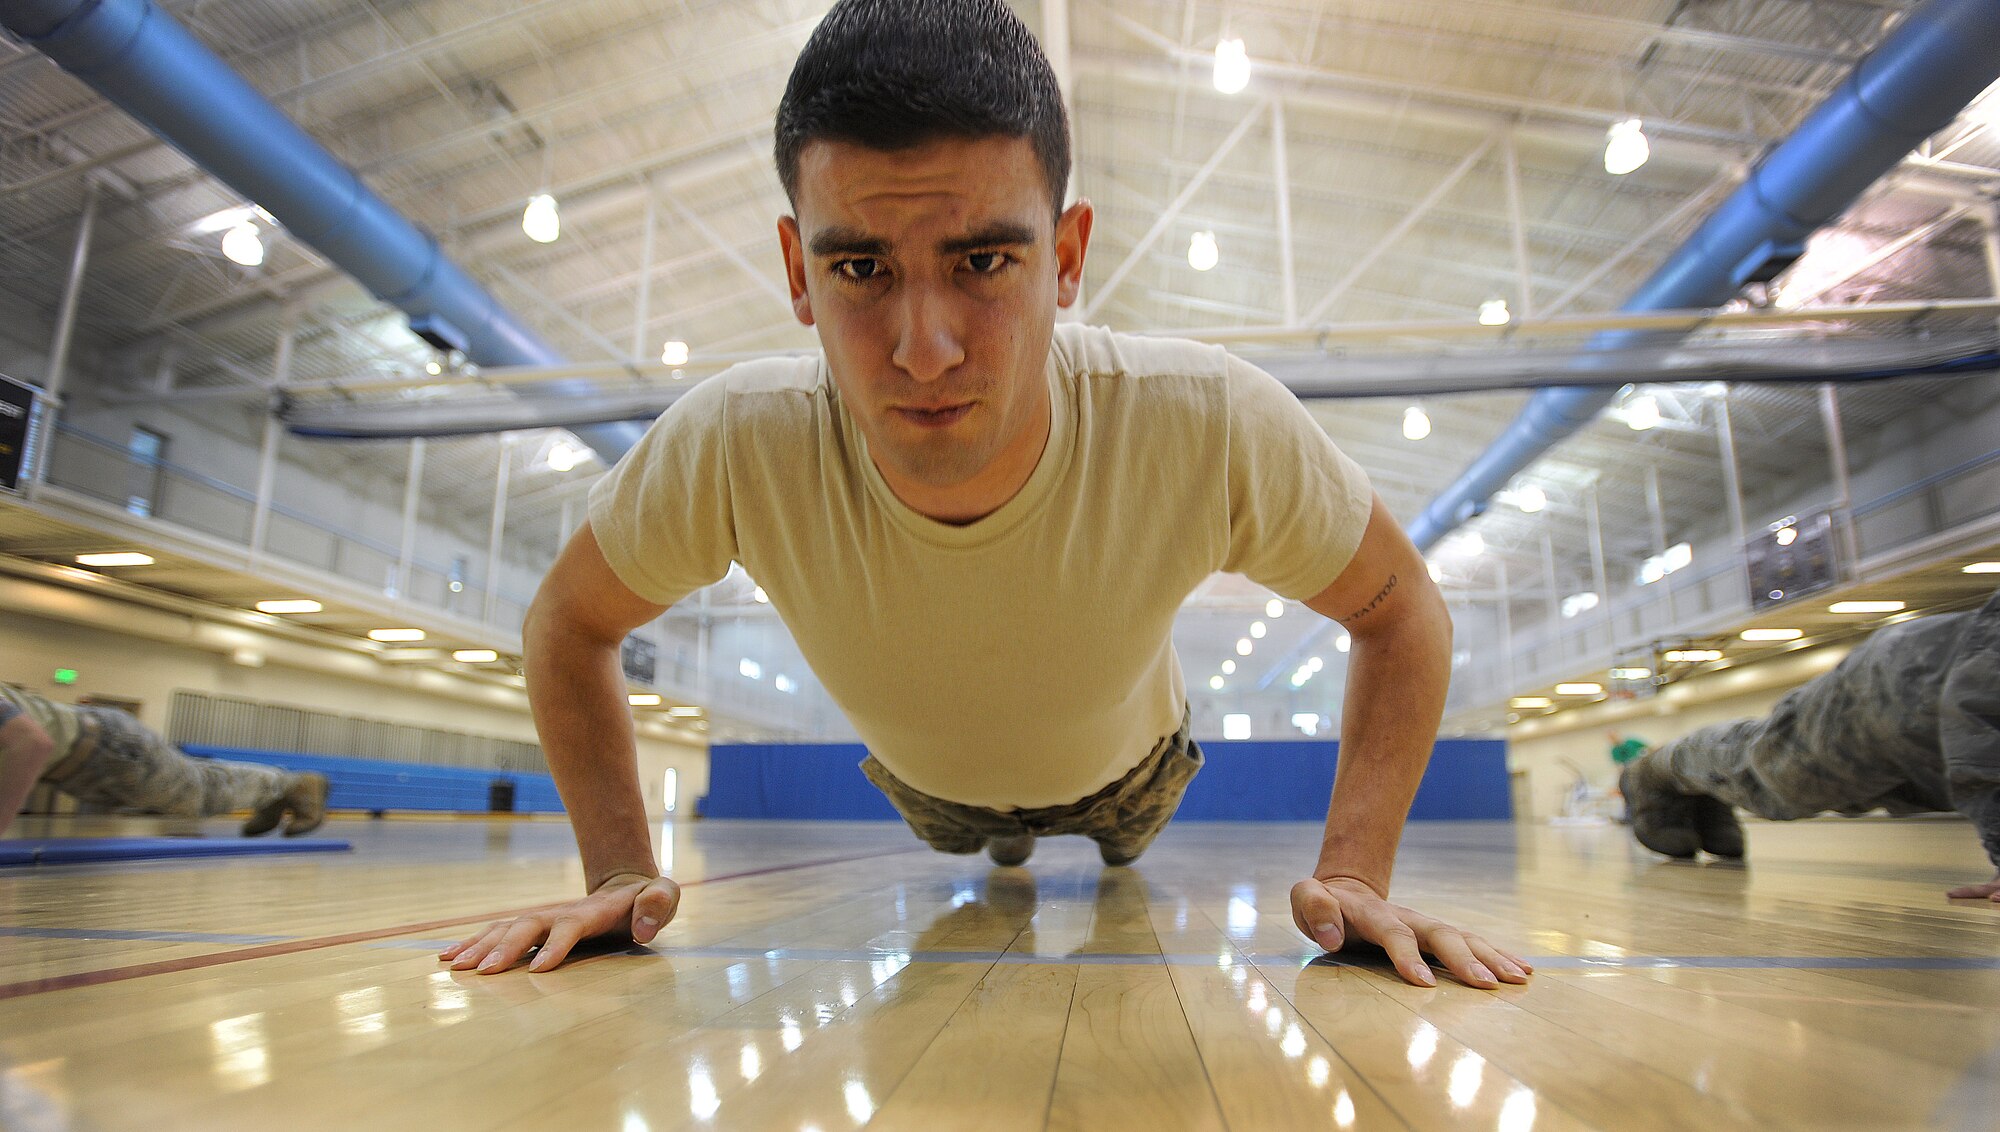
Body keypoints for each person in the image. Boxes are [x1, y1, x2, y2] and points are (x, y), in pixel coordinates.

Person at [441, 0, 1532, 991]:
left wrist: (1355, 871)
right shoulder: (732, 442)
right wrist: (619, 869)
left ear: (1065, 257)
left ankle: (1064, 834)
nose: (923, 351)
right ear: (794, 271)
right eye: (859, 269)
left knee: (1118, 849)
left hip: (1132, 779)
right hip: (929, 794)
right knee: (985, 842)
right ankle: (1007, 841)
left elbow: (1400, 612)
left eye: (981, 262)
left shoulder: (1205, 421)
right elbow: (567, 623)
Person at [1619, 587, 2000, 902]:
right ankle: (1656, 771)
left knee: (1850, 796)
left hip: (1933, 718)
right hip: (1900, 689)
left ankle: (1704, 790)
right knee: (1773, 776)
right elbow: (1979, 723)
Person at [0, 682, 327, 839]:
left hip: (108, 748)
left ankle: (291, 784)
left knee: (197, 793)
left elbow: (33, 743)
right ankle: (274, 795)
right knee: (194, 789)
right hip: (83, 764)